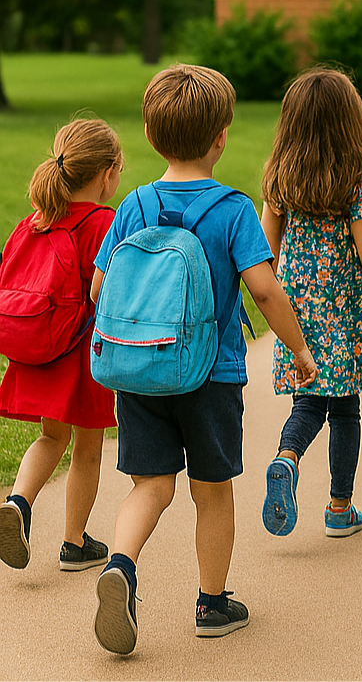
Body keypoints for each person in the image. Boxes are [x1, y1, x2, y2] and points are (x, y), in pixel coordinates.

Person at [89, 64, 317, 655]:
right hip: (211, 375)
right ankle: (213, 604)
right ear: (221, 138)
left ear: (149, 133)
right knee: (212, 490)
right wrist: (297, 349)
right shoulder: (234, 210)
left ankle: (121, 564)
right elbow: (265, 290)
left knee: (150, 484)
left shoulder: (134, 206)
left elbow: (99, 288)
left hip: (140, 370)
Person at [260, 68, 362, 539]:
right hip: (341, 309)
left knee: (307, 401)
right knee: (345, 411)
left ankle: (287, 458)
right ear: (350, 120)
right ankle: (339, 508)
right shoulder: (355, 177)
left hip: (296, 308)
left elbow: (265, 246)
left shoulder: (280, 173)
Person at [0, 119, 122, 572]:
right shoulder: (104, 224)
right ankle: (74, 544)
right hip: (85, 350)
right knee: (87, 449)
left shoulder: (35, 221)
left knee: (51, 437)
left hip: (40, 344)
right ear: (108, 173)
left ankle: (19, 503)